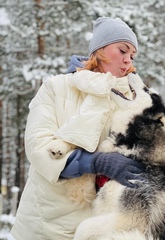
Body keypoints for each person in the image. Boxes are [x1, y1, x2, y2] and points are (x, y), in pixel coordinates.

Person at [11, 17, 145, 240]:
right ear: (100, 49)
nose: (127, 61)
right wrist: (96, 162)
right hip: (47, 225)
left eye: (132, 56)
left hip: (103, 226)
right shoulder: (56, 87)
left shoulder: (133, 98)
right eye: (122, 50)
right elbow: (38, 147)